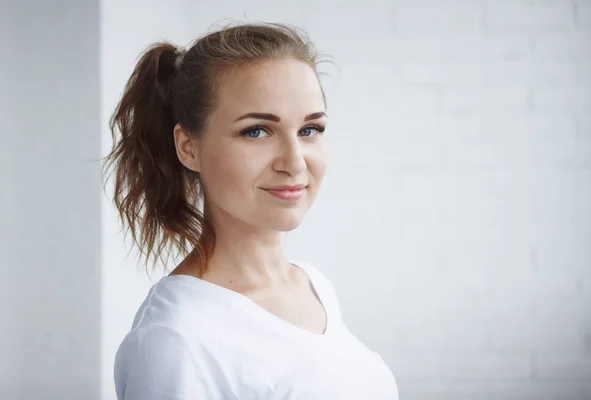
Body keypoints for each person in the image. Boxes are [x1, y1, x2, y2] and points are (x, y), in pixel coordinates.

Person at [102, 22, 399, 399]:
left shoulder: (313, 285)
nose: (294, 163)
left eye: (310, 129)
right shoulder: (175, 339)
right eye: (257, 131)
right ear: (189, 147)